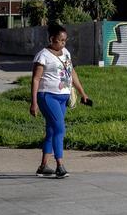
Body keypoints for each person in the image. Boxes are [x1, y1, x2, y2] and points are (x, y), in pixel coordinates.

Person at [30, 23, 90, 178]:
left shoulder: (66, 53)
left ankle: (43, 166)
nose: (63, 44)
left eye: (65, 41)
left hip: (63, 97)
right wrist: (34, 102)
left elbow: (72, 73)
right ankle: (60, 165)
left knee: (51, 130)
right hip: (47, 96)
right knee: (60, 130)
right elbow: (36, 79)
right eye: (60, 41)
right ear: (52, 39)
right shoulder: (43, 55)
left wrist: (82, 93)